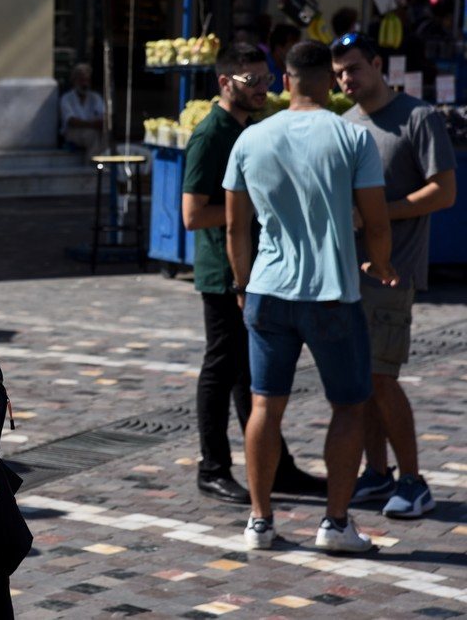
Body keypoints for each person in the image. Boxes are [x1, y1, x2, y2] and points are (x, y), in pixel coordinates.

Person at [223, 41, 398, 553]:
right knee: (348, 406)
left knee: (264, 406)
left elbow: (236, 229)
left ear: (284, 80)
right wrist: (382, 262)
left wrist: (240, 284)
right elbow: (377, 219)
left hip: (267, 290)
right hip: (331, 293)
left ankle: (260, 521)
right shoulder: (351, 136)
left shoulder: (251, 138)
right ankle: (336, 523)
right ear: (329, 81)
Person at [182, 42, 326, 505]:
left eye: (267, 79)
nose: (263, 88)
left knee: (253, 373)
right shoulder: (211, 134)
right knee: (222, 369)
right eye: (252, 81)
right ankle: (213, 468)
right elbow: (191, 214)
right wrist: (242, 210)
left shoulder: (255, 126)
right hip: (221, 273)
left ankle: (274, 466)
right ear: (225, 83)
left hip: (258, 267)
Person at [331, 33, 457, 518]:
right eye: (340, 72)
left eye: (355, 69)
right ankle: (377, 473)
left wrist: (380, 212)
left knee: (381, 379)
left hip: (393, 272)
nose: (347, 79)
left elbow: (443, 193)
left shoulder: (419, 117)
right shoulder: (342, 124)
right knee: (358, 382)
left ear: (379, 64)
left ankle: (413, 480)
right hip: (348, 271)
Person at [59, 62, 107, 157]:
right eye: (81, 80)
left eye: (87, 80)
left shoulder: (95, 97)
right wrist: (92, 124)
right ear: (75, 81)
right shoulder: (66, 98)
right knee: (92, 135)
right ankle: (92, 165)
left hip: (94, 130)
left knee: (103, 135)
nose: (84, 84)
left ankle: (100, 165)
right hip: (73, 132)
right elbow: (71, 121)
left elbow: (104, 117)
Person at [264, 23, 300, 94]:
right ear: (278, 48)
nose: (298, 51)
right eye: (293, 48)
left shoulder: (297, 68)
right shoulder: (264, 68)